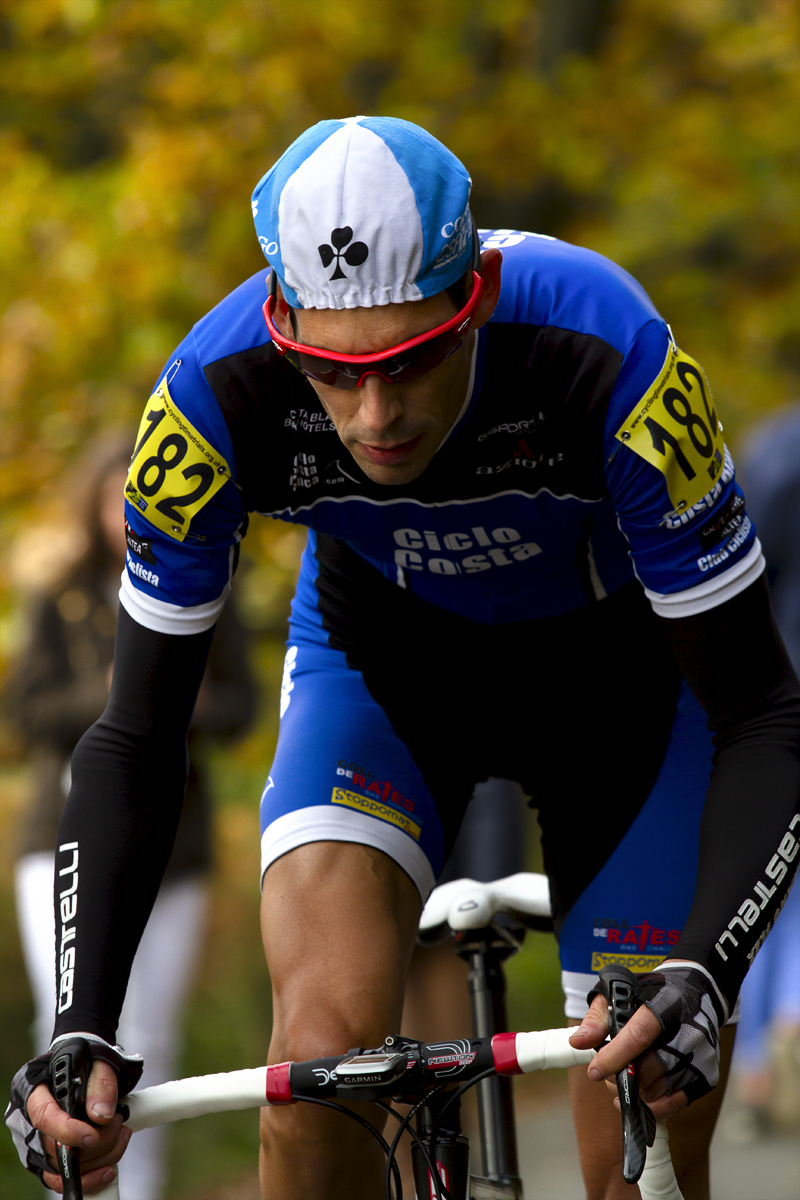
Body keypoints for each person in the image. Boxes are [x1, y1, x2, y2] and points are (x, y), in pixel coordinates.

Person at [5, 117, 799, 1200]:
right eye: (331, 374)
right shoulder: (209, 396)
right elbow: (136, 734)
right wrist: (79, 1023)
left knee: (640, 1116)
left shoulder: (605, 350)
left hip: (616, 692)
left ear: (472, 297)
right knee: (318, 1062)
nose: (374, 416)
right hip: (380, 675)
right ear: (281, 330)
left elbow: (764, 713)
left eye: (411, 359)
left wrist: (705, 970)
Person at [6, 434, 257, 1199]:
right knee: (72, 1036)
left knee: (152, 1041)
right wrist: (115, 699)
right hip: (58, 843)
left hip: (175, 848)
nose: (124, 514)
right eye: (113, 497)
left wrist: (169, 701)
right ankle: (73, 1187)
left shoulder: (208, 582)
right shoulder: (62, 595)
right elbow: (23, 711)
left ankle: (137, 1191)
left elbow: (240, 706)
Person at [731, 407, 800, 1133]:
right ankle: (782, 1034)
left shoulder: (777, 449)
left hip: (781, 691)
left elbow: (749, 569)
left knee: (774, 881)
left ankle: (759, 1060)